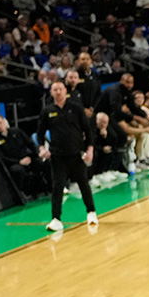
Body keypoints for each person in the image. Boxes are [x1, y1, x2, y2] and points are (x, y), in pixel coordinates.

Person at [37, 81, 97, 232]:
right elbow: (40, 133)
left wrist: (90, 149)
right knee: (57, 187)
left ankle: (91, 212)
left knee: (84, 184)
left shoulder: (75, 108)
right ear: (51, 92)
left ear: (65, 91)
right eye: (55, 89)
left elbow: (87, 129)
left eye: (60, 89)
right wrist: (42, 148)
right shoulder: (47, 111)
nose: (58, 92)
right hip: (58, 156)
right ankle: (56, 219)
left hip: (76, 154)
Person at [0, 114, 48, 196]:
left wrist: (39, 152)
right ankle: (21, 194)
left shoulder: (17, 131)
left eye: (0, 122)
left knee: (44, 163)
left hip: (27, 158)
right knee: (17, 170)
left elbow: (31, 144)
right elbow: (1, 158)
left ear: (4, 121)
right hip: (14, 163)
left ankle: (50, 187)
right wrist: (19, 162)